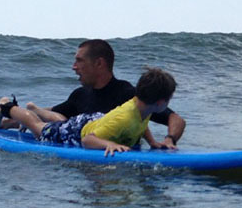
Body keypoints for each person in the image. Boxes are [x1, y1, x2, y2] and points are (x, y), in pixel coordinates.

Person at [13, 40, 185, 148]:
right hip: (83, 129)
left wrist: (168, 139)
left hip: (83, 126)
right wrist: (6, 121)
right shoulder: (81, 95)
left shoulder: (132, 95)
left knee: (59, 121)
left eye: (79, 61)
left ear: (99, 64)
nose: (73, 66)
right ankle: (10, 108)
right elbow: (85, 138)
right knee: (42, 125)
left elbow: (175, 119)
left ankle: (29, 110)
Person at [0, 68, 177, 156]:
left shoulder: (143, 107)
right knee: (39, 128)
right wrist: (108, 144)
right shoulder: (125, 118)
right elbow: (88, 141)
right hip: (84, 131)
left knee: (61, 123)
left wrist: (152, 142)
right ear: (161, 102)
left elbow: (142, 125)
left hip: (95, 119)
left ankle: (36, 108)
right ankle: (6, 107)